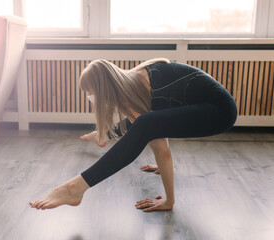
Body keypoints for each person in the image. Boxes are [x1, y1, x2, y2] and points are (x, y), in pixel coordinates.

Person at [29, 58, 237, 212]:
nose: (89, 97)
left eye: (90, 92)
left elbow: (162, 150)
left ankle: (76, 186)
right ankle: (101, 136)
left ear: (104, 89)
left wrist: (169, 201)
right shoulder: (137, 81)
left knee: (145, 123)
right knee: (144, 123)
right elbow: (161, 129)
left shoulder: (145, 87)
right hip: (205, 106)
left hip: (219, 112)